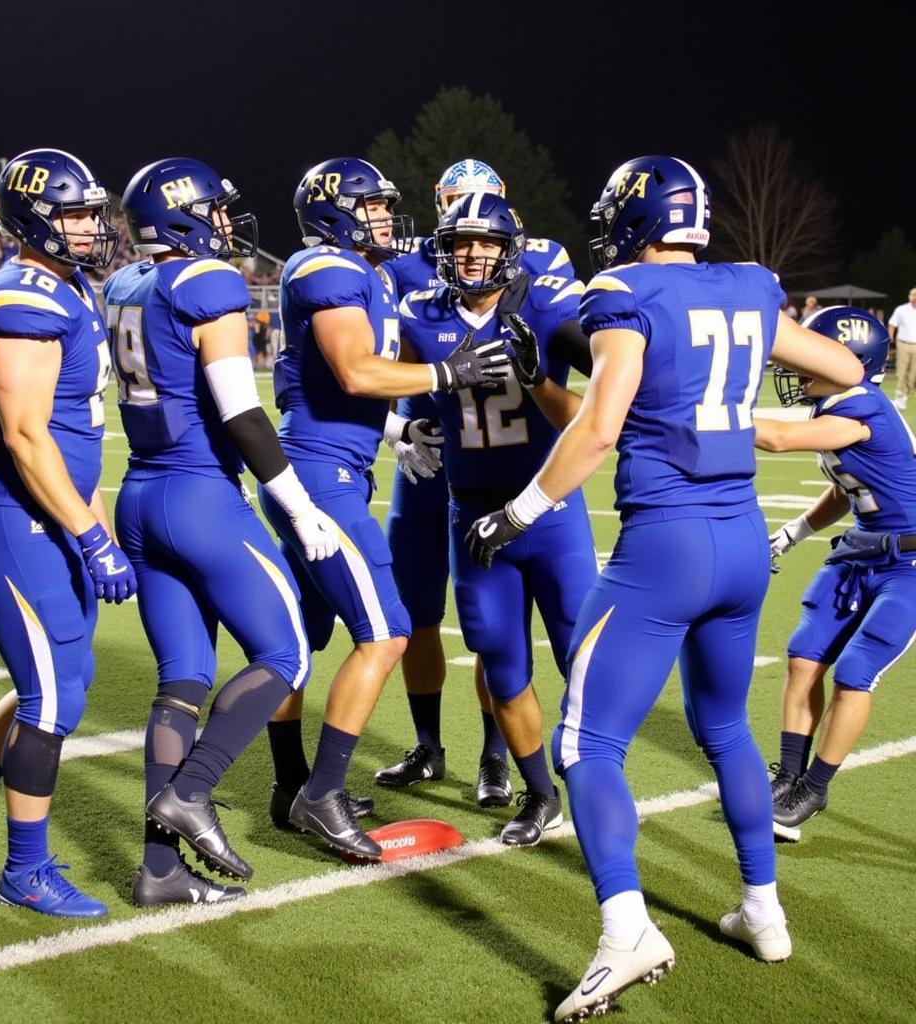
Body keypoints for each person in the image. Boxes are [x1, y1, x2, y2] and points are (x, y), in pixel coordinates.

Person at [465, 155, 865, 1020]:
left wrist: (520, 512)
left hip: (666, 545)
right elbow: (843, 367)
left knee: (586, 744)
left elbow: (602, 426)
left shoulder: (624, 292)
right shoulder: (754, 285)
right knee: (724, 727)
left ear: (637, 219)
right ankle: (763, 910)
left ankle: (625, 932)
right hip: (742, 539)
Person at [259, 156, 509, 860]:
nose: (383, 217)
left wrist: (395, 428)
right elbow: (356, 372)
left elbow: (305, 383)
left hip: (324, 465)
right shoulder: (330, 270)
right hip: (321, 477)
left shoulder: (353, 273)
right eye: (371, 205)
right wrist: (444, 372)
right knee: (389, 631)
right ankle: (320, 795)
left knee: (296, 642)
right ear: (339, 211)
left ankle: (289, 784)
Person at [105, 157, 338, 907]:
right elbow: (241, 414)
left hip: (139, 494)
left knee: (181, 681)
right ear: (181, 217)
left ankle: (160, 869)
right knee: (288, 651)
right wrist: (300, 507)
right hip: (199, 495)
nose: (226, 224)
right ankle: (193, 792)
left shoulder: (124, 283)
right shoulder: (207, 283)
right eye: (214, 211)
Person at [0, 148, 135, 918]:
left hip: (47, 515)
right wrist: (91, 534)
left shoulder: (67, 287)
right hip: (11, 519)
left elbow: (77, 435)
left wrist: (93, 519)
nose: (90, 226)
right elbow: (26, 435)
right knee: (49, 699)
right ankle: (24, 871)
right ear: (36, 218)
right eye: (74, 213)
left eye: (90, 212)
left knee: (67, 685)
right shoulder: (24, 296)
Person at [380, 158, 578, 808]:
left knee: (566, 646)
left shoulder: (543, 285)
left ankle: (501, 758)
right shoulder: (412, 286)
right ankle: (432, 745)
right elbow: (373, 375)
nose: (471, 251)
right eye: (458, 226)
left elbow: (594, 389)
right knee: (429, 614)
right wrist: (395, 430)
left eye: (485, 233)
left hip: (534, 485)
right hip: (439, 460)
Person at [758, 307, 916, 841]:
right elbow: (847, 487)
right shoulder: (838, 405)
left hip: (908, 564)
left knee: (855, 670)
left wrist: (702, 410)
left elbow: (776, 439)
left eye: (812, 350)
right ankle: (788, 775)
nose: (801, 362)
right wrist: (794, 531)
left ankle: (815, 787)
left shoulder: (862, 407)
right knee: (804, 658)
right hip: (859, 552)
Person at [887, 286, 916, 410]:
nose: (914, 298)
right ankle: (899, 396)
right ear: (910, 296)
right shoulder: (901, 309)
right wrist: (890, 338)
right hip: (903, 343)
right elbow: (892, 324)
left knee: (912, 374)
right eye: (913, 295)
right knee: (901, 371)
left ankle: (907, 393)